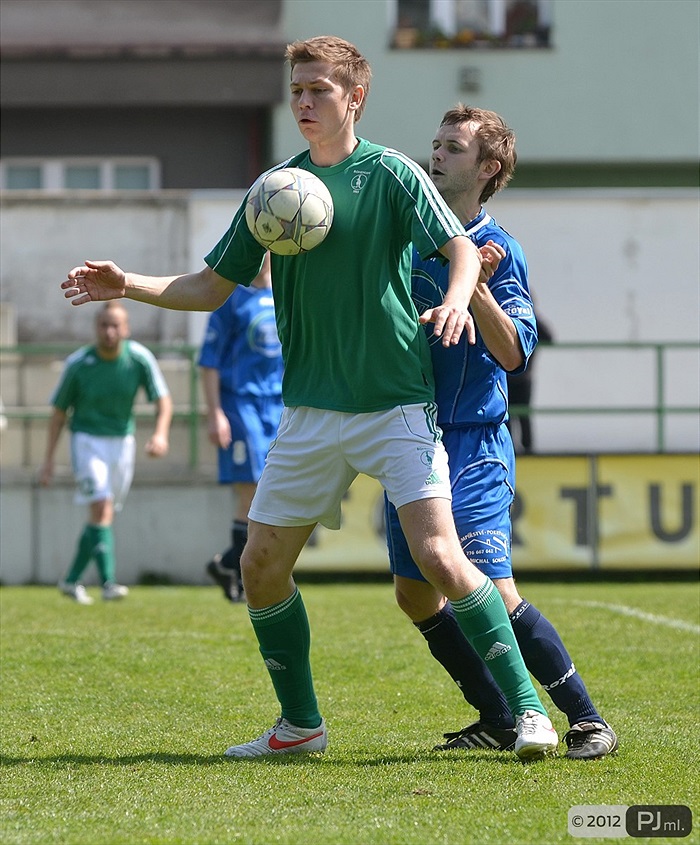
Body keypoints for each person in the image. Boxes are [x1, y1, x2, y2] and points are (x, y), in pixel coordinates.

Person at [59, 36, 559, 761]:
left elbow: (457, 248)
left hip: (395, 404)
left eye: (319, 90)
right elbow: (209, 286)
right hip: (311, 411)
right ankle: (300, 726)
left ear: (355, 99)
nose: (303, 102)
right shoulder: (274, 188)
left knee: (441, 559)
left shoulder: (391, 174)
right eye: (297, 90)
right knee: (260, 565)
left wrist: (457, 300)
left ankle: (528, 712)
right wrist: (125, 283)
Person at [385, 104, 617, 760]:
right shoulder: (406, 234)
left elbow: (515, 354)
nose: (436, 154)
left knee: (490, 581)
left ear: (488, 168)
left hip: (473, 441)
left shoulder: (500, 248)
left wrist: (478, 288)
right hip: (406, 433)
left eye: (452, 147)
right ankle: (495, 713)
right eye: (435, 144)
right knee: (412, 592)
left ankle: (586, 718)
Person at [40, 300, 172, 604]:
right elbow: (58, 412)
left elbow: (163, 400)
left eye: (115, 325)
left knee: (104, 514)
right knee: (101, 507)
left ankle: (71, 580)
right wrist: (47, 460)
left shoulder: (139, 358)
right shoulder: (79, 363)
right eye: (104, 325)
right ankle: (109, 583)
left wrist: (160, 434)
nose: (109, 331)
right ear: (95, 329)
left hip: (122, 442)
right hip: (87, 440)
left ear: (125, 329)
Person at [199, 252, 284, 602]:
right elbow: (208, 361)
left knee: (274, 491)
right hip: (241, 405)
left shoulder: (285, 295)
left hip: (279, 406)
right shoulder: (230, 298)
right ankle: (241, 571)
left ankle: (228, 564)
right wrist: (215, 412)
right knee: (251, 491)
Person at [506, 310, 553, 453]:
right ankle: (513, 448)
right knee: (509, 414)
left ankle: (527, 448)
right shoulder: (507, 318)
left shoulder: (532, 320)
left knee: (522, 414)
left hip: (521, 378)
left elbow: (549, 338)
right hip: (512, 377)